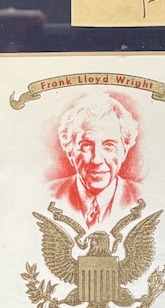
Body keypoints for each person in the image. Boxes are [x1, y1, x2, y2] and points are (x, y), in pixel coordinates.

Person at [50, 91, 143, 230]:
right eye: (86, 145)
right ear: (70, 150)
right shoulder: (47, 195)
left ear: (125, 150)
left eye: (109, 145)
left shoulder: (143, 197)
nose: (97, 159)